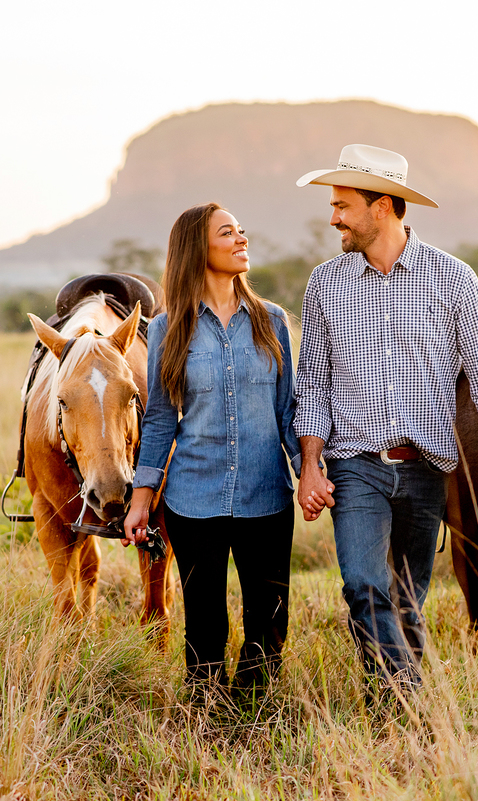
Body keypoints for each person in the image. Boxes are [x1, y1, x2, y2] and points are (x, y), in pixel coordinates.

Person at [293, 144, 478, 689]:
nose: (333, 218)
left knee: (408, 601)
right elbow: (313, 384)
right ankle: (414, 703)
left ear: (383, 207)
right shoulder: (326, 283)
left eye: (343, 205)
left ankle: (389, 718)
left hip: (426, 467)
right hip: (355, 464)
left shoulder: (454, 278)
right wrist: (310, 466)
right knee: (363, 586)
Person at [123, 202, 300, 703]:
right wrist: (141, 499)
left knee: (269, 620)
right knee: (204, 623)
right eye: (228, 233)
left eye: (242, 230)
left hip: (266, 496)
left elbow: (288, 411)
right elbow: (160, 419)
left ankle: (257, 711)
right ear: (198, 248)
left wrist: (309, 471)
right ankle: (204, 716)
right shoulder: (166, 329)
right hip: (192, 498)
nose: (242, 239)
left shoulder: (271, 321)